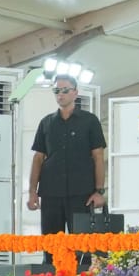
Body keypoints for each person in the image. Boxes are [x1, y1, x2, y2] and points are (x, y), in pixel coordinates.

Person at [27, 74, 106, 264]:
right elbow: (38, 158)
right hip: (51, 193)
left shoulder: (90, 121)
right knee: (51, 246)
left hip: (82, 194)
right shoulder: (47, 122)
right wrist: (32, 192)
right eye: (56, 90)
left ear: (75, 93)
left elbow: (98, 156)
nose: (60, 94)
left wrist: (99, 191)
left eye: (65, 90)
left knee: (83, 247)